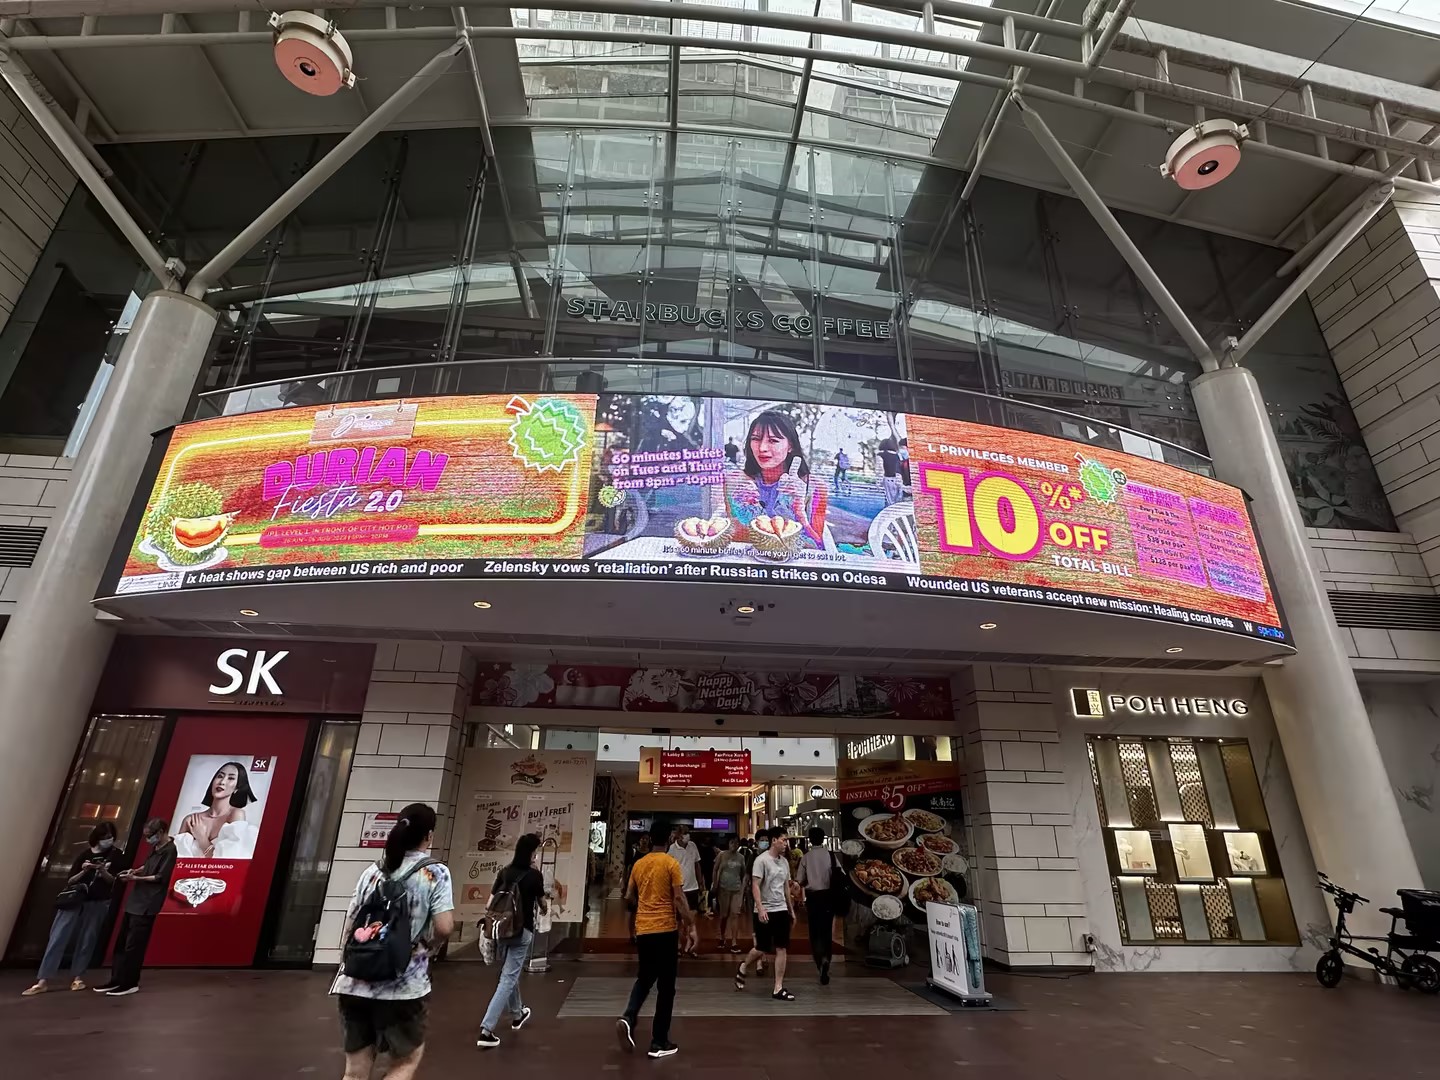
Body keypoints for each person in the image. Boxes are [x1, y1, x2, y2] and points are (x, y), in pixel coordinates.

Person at [331, 804, 454, 1080]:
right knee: (404, 1064)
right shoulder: (435, 873)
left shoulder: (372, 872)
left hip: (356, 982)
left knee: (353, 1073)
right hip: (404, 985)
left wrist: (347, 964)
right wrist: (430, 948)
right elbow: (444, 927)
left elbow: (350, 923)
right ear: (429, 835)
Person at [617, 821, 697, 1060]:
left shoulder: (639, 864)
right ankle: (659, 1041)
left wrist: (644, 900)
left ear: (650, 839)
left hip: (643, 929)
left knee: (644, 978)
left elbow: (629, 896)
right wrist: (691, 925)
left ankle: (629, 1016)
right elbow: (679, 899)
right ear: (670, 839)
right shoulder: (671, 863)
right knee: (666, 987)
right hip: (665, 930)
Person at [23, 823, 126, 996]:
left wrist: (102, 871)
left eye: (110, 837)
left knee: (87, 939)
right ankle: (43, 979)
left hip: (98, 901)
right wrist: (84, 871)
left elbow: (114, 881)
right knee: (58, 937)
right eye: (104, 837)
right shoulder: (84, 855)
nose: (108, 840)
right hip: (74, 900)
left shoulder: (116, 855)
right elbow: (70, 880)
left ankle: (78, 977)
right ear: (97, 838)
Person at [92, 817, 176, 997]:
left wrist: (135, 879)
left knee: (134, 947)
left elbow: (160, 877)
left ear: (161, 832)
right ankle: (116, 979)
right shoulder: (156, 848)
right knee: (122, 944)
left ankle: (129, 983)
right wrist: (135, 871)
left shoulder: (170, 850)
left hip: (147, 904)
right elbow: (149, 866)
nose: (148, 839)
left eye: (150, 835)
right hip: (135, 901)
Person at [477, 833, 546, 1049]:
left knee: (510, 972)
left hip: (502, 930)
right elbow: (543, 904)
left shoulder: (505, 872)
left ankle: (518, 1014)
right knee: (507, 978)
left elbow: (489, 904)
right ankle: (487, 1029)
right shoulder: (534, 876)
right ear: (532, 853)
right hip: (521, 931)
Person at [723, 410, 829, 547]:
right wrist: (746, 512)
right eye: (755, 439)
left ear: (790, 446)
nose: (762, 448)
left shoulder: (815, 487)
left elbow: (817, 546)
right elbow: (732, 539)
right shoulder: (733, 482)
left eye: (773, 440)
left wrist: (799, 514)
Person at [736, 831, 795, 1001]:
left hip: (781, 908)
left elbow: (785, 887)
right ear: (774, 840)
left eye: (787, 841)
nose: (786, 843)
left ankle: (778, 987)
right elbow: (755, 885)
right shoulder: (761, 861)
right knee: (762, 947)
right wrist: (760, 908)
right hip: (765, 909)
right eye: (783, 840)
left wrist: (790, 909)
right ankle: (744, 965)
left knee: (782, 947)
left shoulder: (784, 862)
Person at [176, 761, 256, 859]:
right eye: (220, 776)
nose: (222, 782)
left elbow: (228, 860)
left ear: (237, 788)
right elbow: (176, 859)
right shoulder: (191, 820)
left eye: (231, 778)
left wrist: (201, 838)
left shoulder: (236, 814)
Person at [797, 827, 838, 984]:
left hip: (813, 898)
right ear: (823, 839)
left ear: (809, 839)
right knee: (826, 930)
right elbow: (840, 874)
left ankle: (819, 961)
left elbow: (799, 879)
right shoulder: (830, 855)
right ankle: (827, 957)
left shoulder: (806, 857)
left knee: (814, 932)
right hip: (829, 897)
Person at [667, 825, 703, 946]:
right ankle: (678, 944)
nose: (688, 835)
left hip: (693, 887)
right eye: (685, 833)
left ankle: (689, 942)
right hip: (679, 888)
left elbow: (697, 865)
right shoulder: (672, 849)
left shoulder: (693, 846)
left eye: (688, 833)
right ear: (679, 835)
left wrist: (700, 882)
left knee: (691, 917)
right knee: (678, 919)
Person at [712, 834, 747, 953]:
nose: (734, 845)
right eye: (732, 842)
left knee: (735, 915)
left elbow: (743, 873)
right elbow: (715, 869)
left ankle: (734, 942)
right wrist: (715, 884)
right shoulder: (722, 855)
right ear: (728, 843)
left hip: (736, 889)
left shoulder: (741, 857)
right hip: (723, 889)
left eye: (736, 843)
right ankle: (722, 937)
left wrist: (743, 888)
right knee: (724, 915)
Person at [878, 436, 903, 505]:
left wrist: (879, 483)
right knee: (896, 501)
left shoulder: (880, 455)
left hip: (887, 479)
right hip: (898, 479)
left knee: (888, 501)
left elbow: (880, 470)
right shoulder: (897, 455)